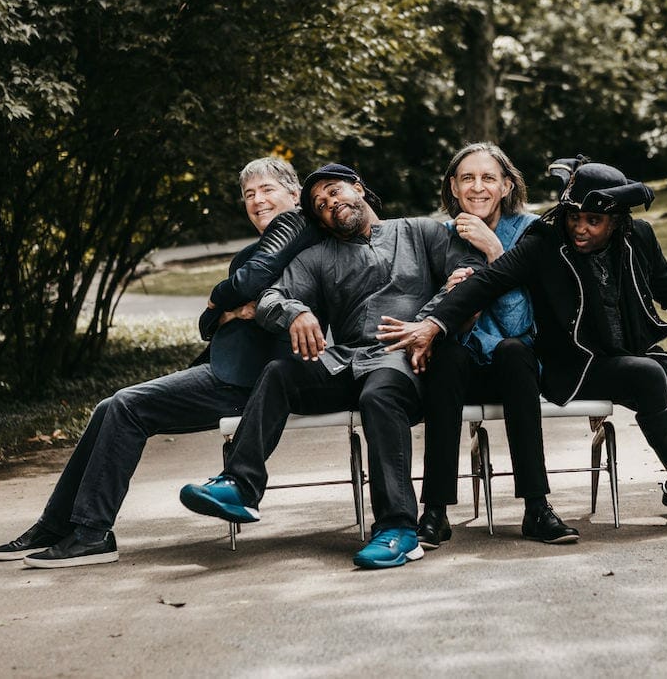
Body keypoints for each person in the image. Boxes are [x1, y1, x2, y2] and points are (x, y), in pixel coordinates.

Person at [381, 160, 667, 534]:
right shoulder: (545, 240)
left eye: (593, 220)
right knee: (646, 375)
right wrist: (433, 324)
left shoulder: (639, 237)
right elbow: (488, 282)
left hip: (633, 351)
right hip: (576, 364)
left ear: (617, 221)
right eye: (574, 217)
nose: (580, 228)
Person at [0, 157, 319, 568]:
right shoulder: (259, 249)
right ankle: (55, 525)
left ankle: (91, 534)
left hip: (251, 381)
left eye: (267, 189)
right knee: (109, 407)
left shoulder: (296, 227)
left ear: (295, 194)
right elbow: (207, 324)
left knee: (126, 406)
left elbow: (247, 288)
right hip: (227, 370)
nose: (257, 200)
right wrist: (229, 310)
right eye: (249, 194)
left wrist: (222, 300)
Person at [178, 163, 484, 569]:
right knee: (280, 373)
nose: (329, 204)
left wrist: (428, 323)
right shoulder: (317, 257)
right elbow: (271, 298)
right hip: (346, 361)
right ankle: (240, 484)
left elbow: (469, 276)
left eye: (335, 191)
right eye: (320, 205)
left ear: (358, 187)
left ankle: (398, 529)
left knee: (379, 394)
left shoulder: (419, 231)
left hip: (403, 358)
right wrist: (295, 312)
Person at [402, 142, 578, 548]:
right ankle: (435, 512)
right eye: (467, 178)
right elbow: (437, 325)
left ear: (506, 186)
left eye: (488, 178)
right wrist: (452, 300)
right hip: (457, 373)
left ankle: (537, 507)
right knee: (448, 356)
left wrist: (495, 251)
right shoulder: (440, 237)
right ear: (453, 187)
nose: (477, 187)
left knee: (514, 350)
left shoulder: (532, 231)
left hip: (516, 374)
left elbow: (518, 324)